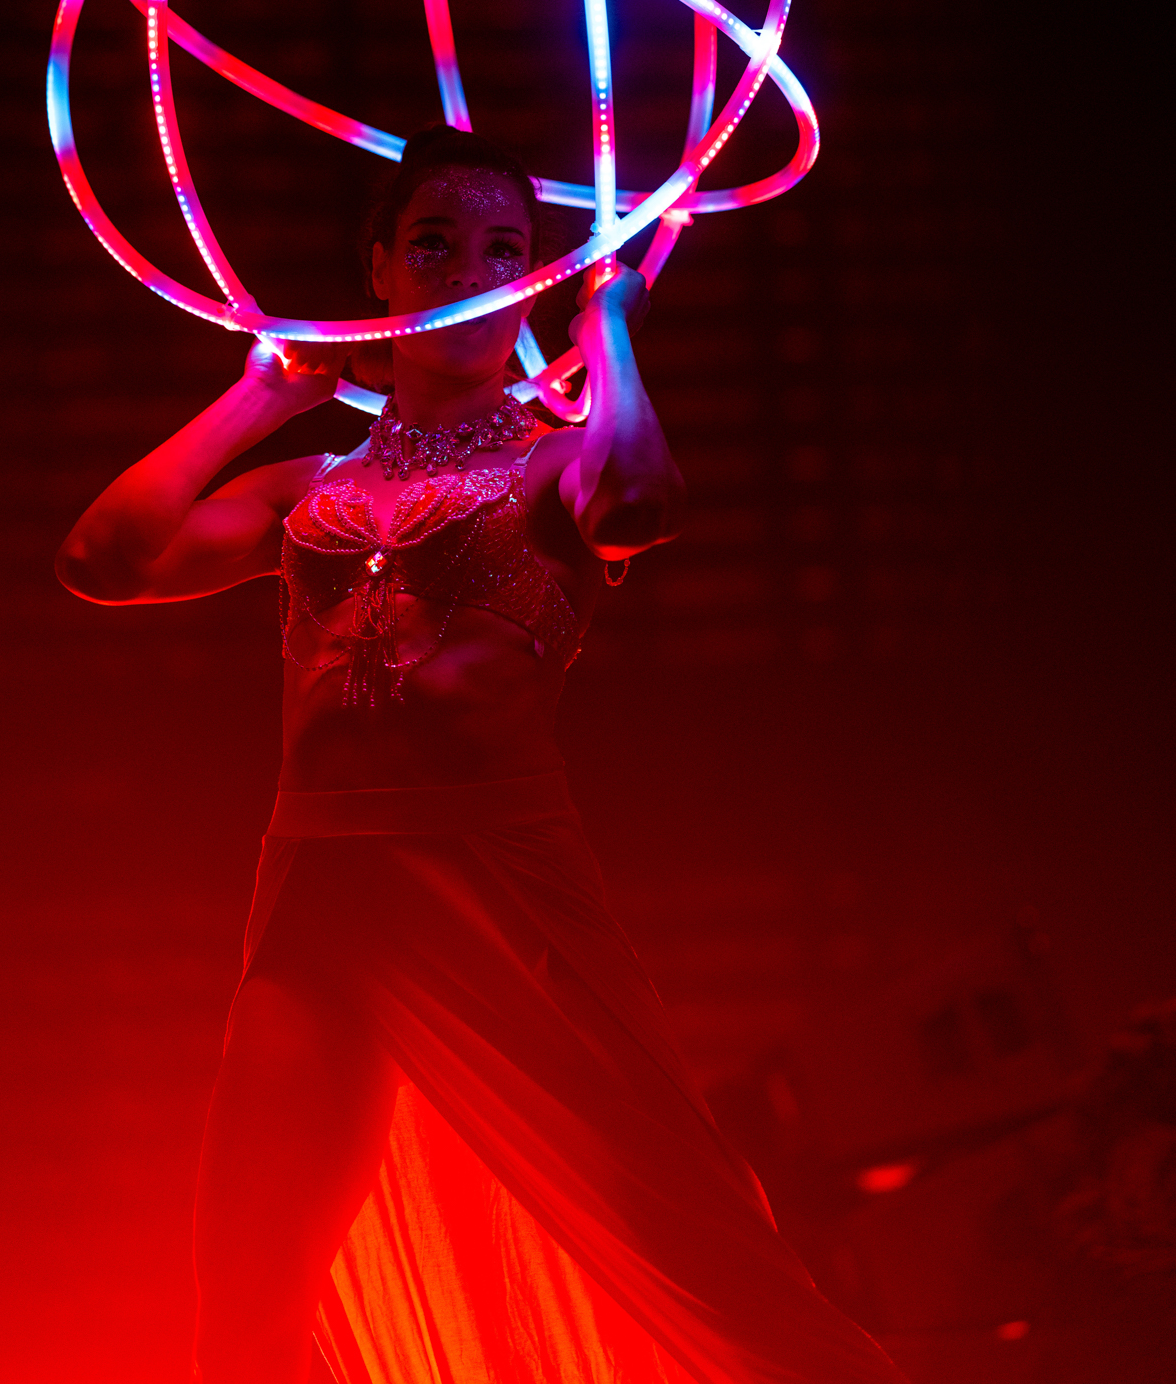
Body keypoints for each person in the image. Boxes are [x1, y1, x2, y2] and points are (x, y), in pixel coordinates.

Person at [57, 126, 903, 1383]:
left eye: (504, 249)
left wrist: (608, 321)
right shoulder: (313, 482)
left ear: (536, 276)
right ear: (380, 265)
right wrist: (265, 392)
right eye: (435, 242)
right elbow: (105, 558)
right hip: (322, 890)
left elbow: (639, 500)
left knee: (686, 1234)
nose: (469, 268)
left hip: (501, 886)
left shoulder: (556, 461)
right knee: (245, 1276)